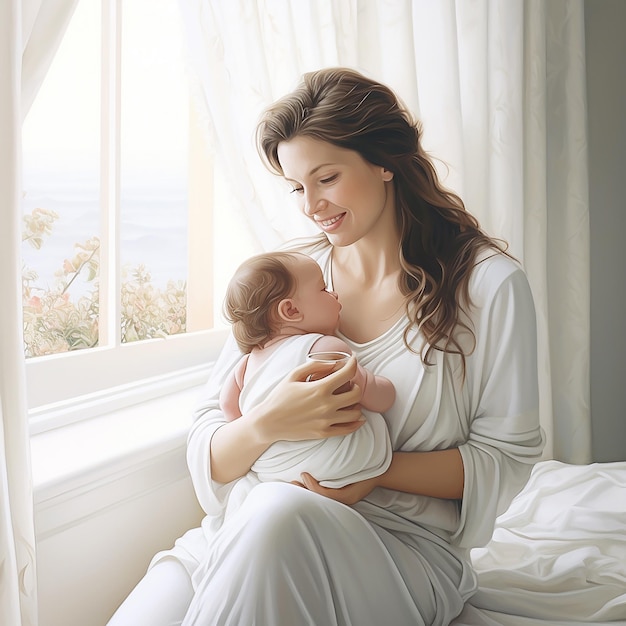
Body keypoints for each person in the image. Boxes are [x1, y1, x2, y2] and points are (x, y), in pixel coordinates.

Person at [107, 67, 545, 626]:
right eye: (296, 187)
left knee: (279, 511)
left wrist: (369, 471)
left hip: (396, 549)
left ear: (385, 161)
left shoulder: (487, 287)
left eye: (327, 178)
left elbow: (504, 460)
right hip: (241, 530)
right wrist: (268, 424)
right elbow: (210, 443)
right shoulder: (294, 281)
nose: (310, 204)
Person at [216, 250, 394, 517]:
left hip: (275, 472)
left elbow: (229, 409)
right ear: (291, 310)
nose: (335, 295)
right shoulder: (324, 348)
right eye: (324, 289)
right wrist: (387, 388)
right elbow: (378, 398)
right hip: (338, 465)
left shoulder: (246, 364)